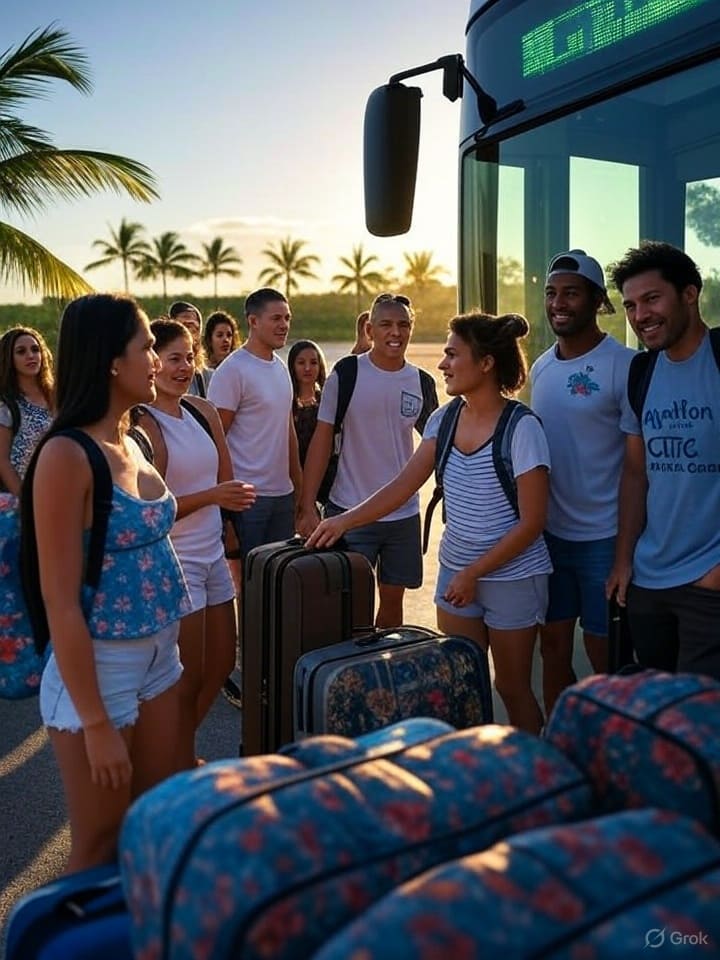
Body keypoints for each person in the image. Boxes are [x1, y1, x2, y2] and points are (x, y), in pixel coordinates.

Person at [307, 311, 551, 732]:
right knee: (464, 687)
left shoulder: (523, 428)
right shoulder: (445, 418)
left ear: (486, 363)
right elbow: (403, 486)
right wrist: (342, 521)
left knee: (511, 687)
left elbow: (532, 524)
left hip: (512, 577)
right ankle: (475, 772)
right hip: (458, 575)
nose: (442, 365)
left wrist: (474, 573)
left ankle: (534, 773)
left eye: (453, 355)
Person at [20, 293, 191, 871]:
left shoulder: (134, 439)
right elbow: (59, 601)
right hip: (101, 670)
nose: (157, 360)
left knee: (158, 822)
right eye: (147, 347)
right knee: (97, 845)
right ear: (111, 361)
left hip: (161, 658)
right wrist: (95, 724)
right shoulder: (66, 455)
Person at [134, 319, 255, 767]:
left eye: (189, 357)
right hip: (176, 558)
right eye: (173, 358)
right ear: (152, 363)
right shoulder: (143, 426)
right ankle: (171, 757)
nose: (184, 367)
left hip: (212, 554)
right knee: (187, 676)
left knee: (222, 663)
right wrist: (212, 497)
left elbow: (224, 473)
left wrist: (226, 517)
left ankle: (175, 750)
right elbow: (151, 511)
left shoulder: (202, 411)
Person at [607, 241, 720, 681]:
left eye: (652, 299)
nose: (640, 316)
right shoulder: (642, 372)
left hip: (709, 587)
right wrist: (623, 561)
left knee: (701, 727)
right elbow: (636, 473)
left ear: (690, 293)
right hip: (649, 582)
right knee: (656, 718)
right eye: (631, 306)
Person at [530, 250, 635, 713]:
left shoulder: (626, 365)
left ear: (598, 302)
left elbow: (638, 467)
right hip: (549, 538)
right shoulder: (541, 368)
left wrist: (625, 555)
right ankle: (564, 743)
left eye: (571, 293)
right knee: (551, 652)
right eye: (552, 293)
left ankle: (612, 748)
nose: (559, 303)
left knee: (605, 659)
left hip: (604, 541)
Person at [298, 293, 438, 627]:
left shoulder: (421, 382)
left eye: (403, 325)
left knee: (392, 604)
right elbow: (321, 441)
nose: (396, 332)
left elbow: (437, 446)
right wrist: (305, 507)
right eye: (386, 324)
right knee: (349, 608)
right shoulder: (346, 373)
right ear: (370, 329)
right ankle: (347, 674)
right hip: (346, 511)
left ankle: (381, 670)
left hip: (402, 515)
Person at [208, 287, 301, 561]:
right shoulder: (233, 370)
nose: (283, 325)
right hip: (247, 499)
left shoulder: (281, 368)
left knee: (280, 582)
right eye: (276, 318)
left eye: (287, 318)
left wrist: (300, 489)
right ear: (253, 321)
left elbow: (288, 432)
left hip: (283, 496)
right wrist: (224, 508)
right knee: (252, 586)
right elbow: (216, 440)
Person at [0, 326, 54, 495]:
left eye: (35, 350)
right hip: (23, 497)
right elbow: (2, 461)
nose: (31, 355)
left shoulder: (58, 398)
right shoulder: (6, 405)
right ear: (9, 359)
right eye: (21, 351)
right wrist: (25, 501)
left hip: (59, 489)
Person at [168, 301, 213, 396]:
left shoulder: (210, 377)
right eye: (184, 327)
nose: (189, 333)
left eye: (193, 328)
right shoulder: (158, 372)